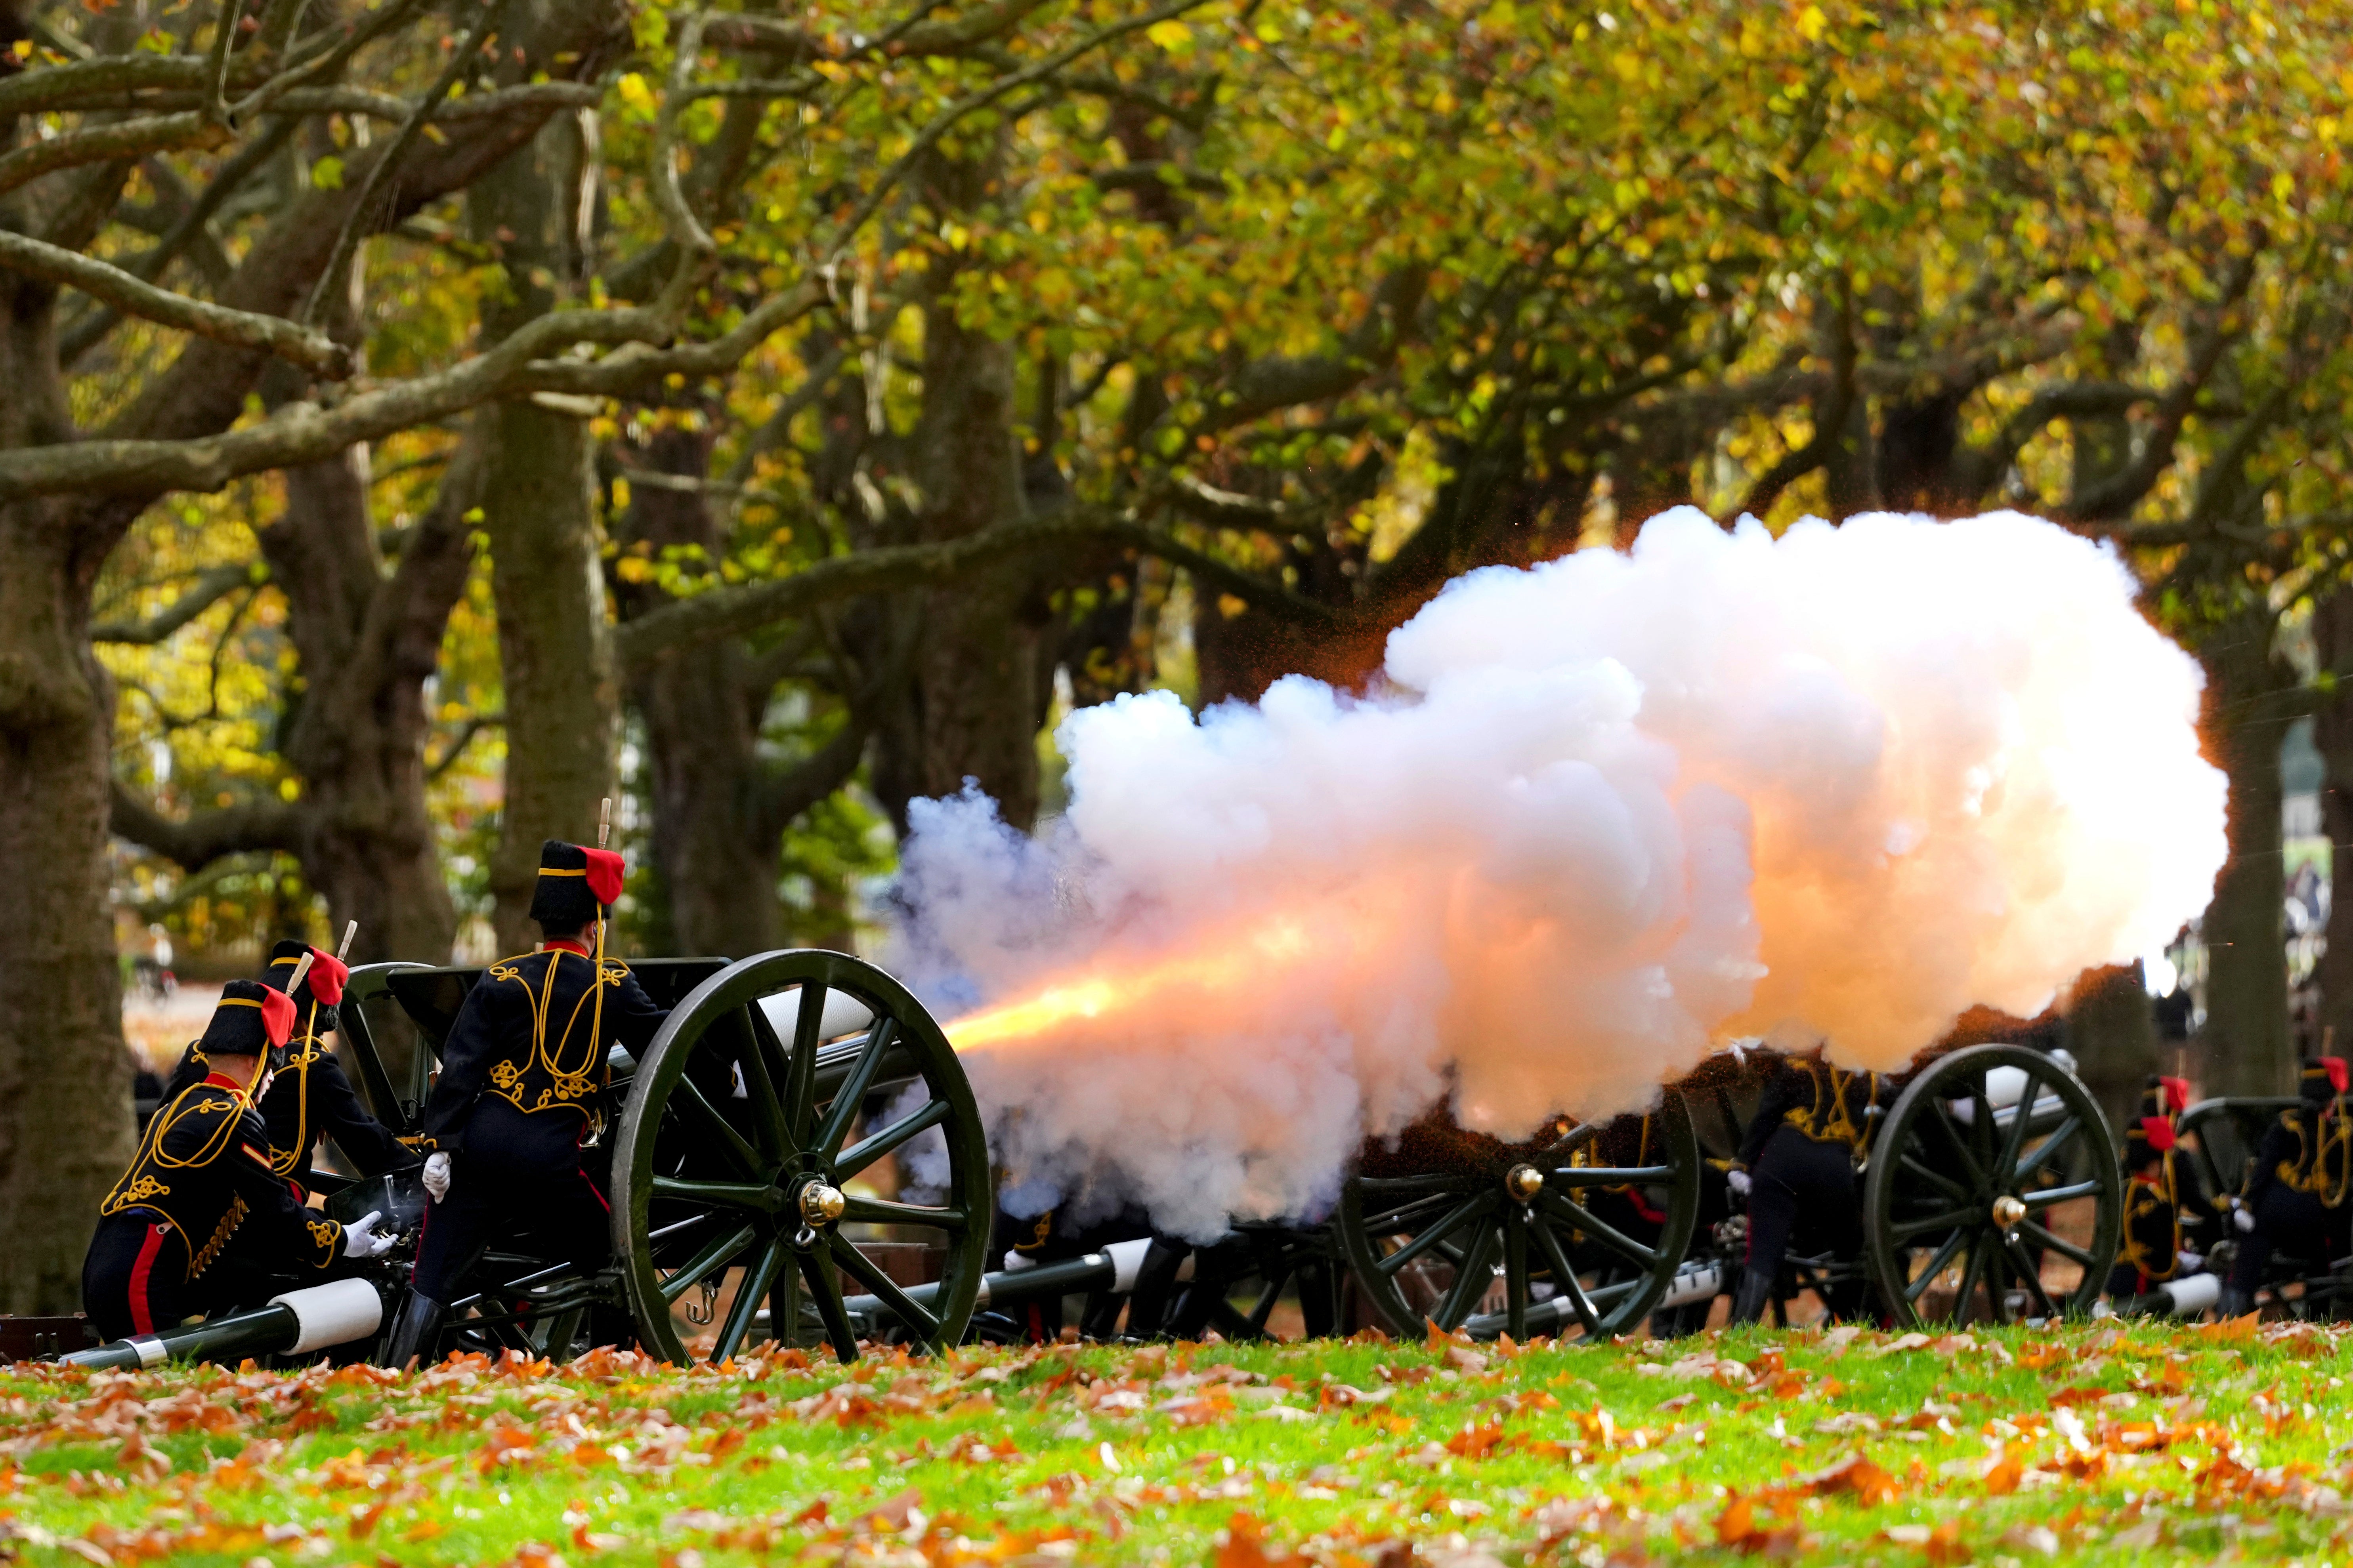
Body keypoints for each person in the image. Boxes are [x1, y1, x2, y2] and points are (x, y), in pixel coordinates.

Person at [383, 840, 668, 1366]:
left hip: (479, 1149)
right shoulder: (612, 982)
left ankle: (397, 1373)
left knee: (432, 1273)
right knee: (612, 1256)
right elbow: (666, 1041)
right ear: (594, 927)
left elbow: (460, 1067)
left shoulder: (500, 977)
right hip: (550, 1161)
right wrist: (729, 1070)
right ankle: (612, 1366)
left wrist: (440, 1146)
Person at [83, 980, 395, 1341]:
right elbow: (276, 1211)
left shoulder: (180, 1104)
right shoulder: (235, 1118)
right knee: (157, 1378)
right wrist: (341, 1240)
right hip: (142, 1271)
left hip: (110, 1262)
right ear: (254, 1062)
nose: (271, 1079)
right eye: (271, 1067)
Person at [159, 940, 408, 1192]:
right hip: (274, 1205)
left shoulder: (197, 1054)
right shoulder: (312, 1065)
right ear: (305, 1018)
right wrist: (419, 1167)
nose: (316, 1039)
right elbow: (369, 1147)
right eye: (317, 1028)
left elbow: (161, 1128)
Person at [1727, 1047, 1885, 1324]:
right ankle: (1844, 1324)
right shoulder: (1867, 1078)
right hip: (1831, 1170)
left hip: (1779, 1164)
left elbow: (1765, 1118)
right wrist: (1951, 1106)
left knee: (1761, 1256)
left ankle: (1740, 1329)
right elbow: (1907, 1097)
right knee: (1852, 1250)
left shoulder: (1793, 1067)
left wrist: (1743, 1166)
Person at [2220, 1056, 2351, 1317]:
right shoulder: (2342, 1136)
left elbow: (2263, 1170)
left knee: (2246, 1266)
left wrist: (2246, 1204)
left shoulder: (2286, 1125)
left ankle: (2229, 1316)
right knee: (2321, 1264)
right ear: (2332, 1100)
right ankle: (2319, 1321)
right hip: (2316, 1222)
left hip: (2273, 1215)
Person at [2106, 1095, 2204, 1302]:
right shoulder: (2158, 1202)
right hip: (2145, 1285)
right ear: (2155, 1162)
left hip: (2117, 1280)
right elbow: (2163, 1261)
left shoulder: (2125, 1190)